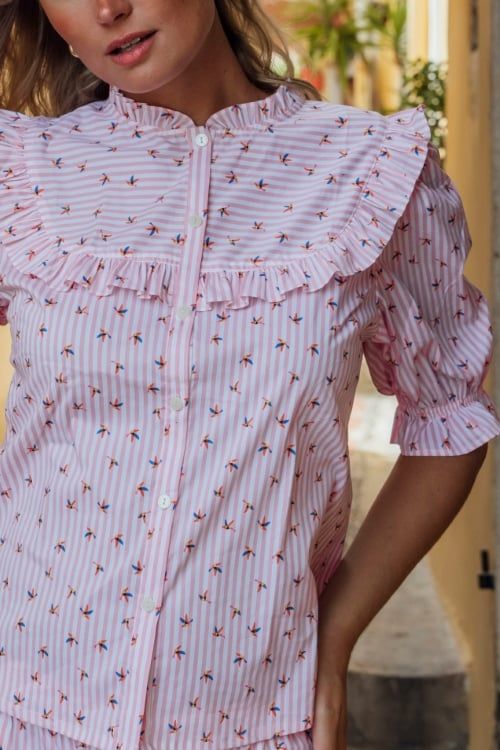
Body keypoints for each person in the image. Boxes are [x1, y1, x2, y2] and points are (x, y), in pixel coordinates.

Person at [0, 1, 499, 749]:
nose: (107, 8)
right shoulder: (23, 171)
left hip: (258, 722)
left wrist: (334, 637)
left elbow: (449, 419)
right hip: (23, 706)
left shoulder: (369, 172)